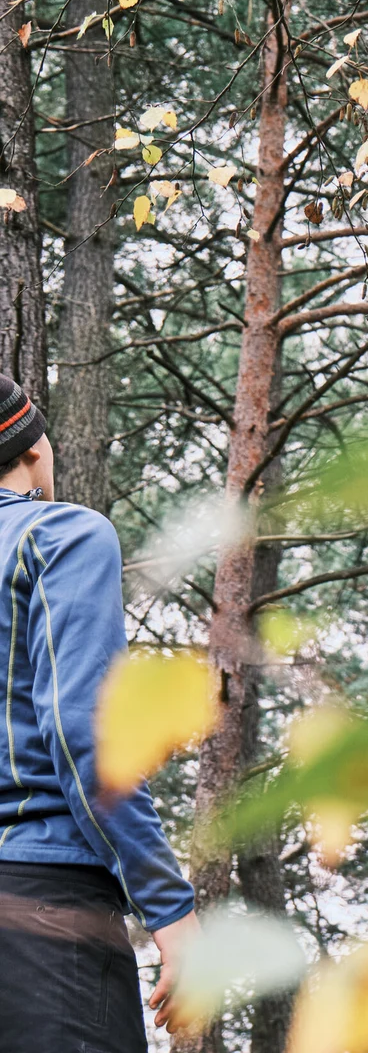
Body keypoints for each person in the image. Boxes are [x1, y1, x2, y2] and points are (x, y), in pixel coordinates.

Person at [0, 374, 201, 1049]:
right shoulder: (59, 535)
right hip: (40, 918)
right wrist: (172, 916)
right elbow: (87, 736)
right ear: (34, 450)